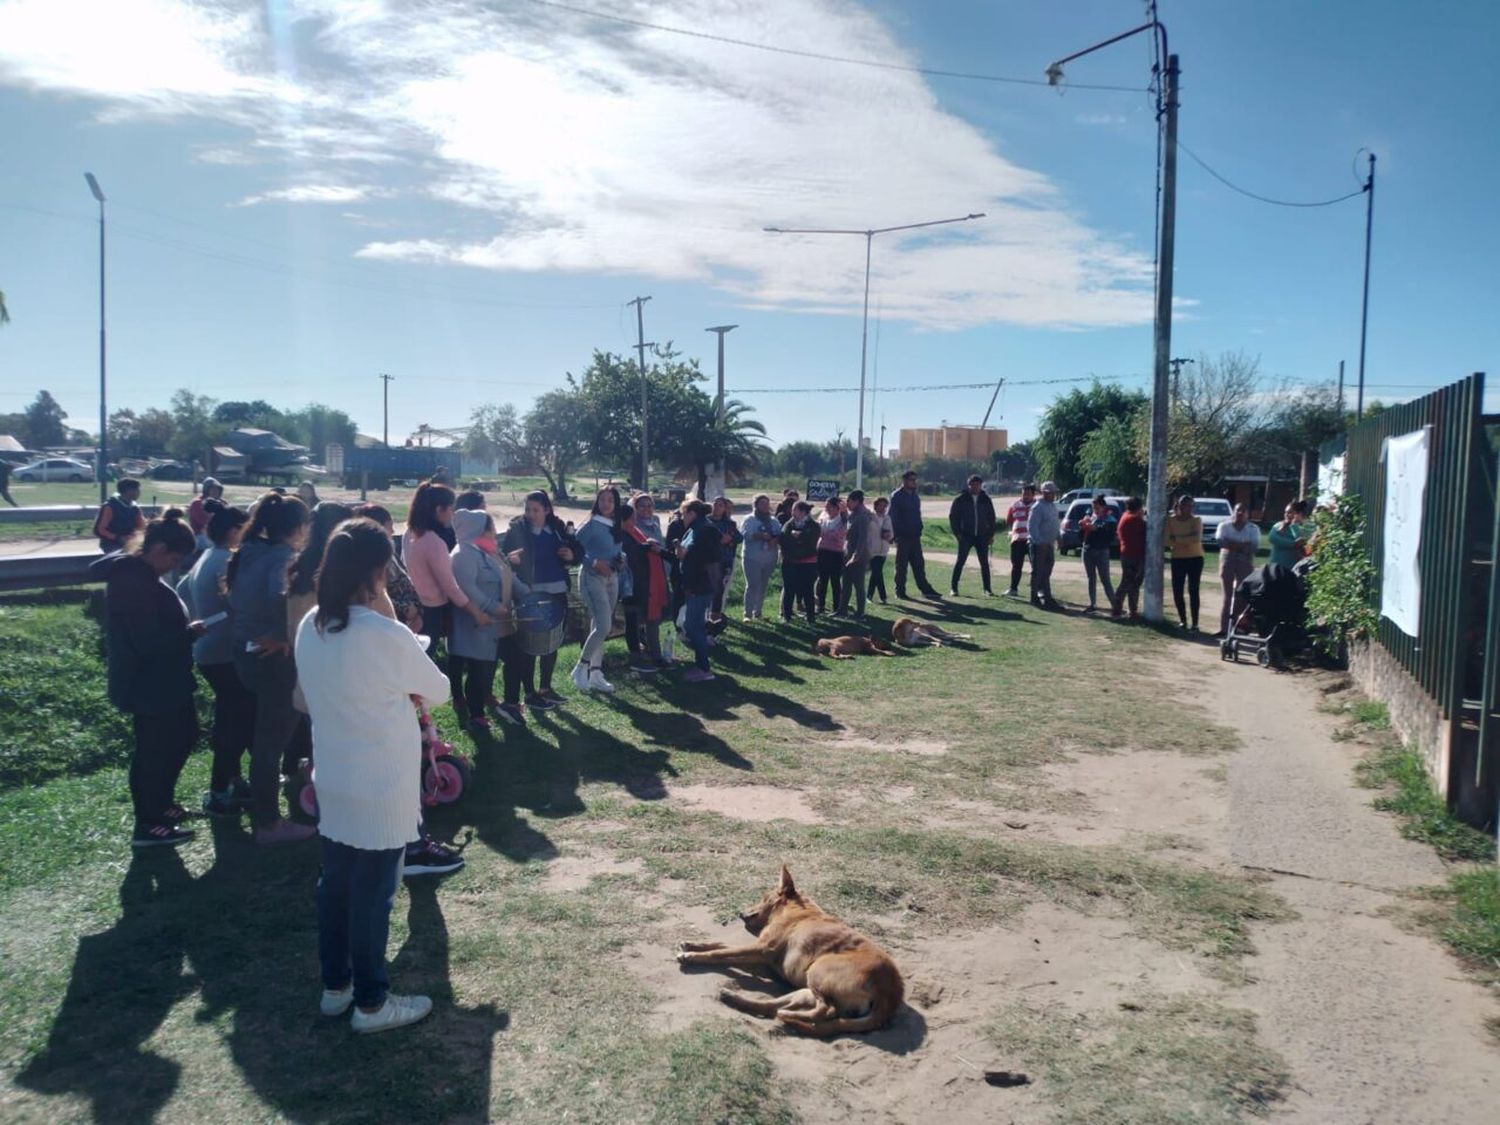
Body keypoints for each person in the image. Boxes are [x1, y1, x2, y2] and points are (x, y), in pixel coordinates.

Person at [294, 517, 451, 1034]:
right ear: (379, 571)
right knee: (373, 897)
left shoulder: (312, 624)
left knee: (335, 886)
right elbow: (439, 689)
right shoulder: (386, 633)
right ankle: (371, 1002)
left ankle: (336, 987)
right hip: (381, 782)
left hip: (334, 778)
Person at [90, 509, 202, 847]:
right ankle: (149, 823)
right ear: (157, 548)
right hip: (149, 684)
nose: (175, 565)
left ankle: (162, 805)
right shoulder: (131, 580)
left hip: (165, 680)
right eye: (174, 557)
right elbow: (147, 641)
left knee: (182, 738)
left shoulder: (142, 575)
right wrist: (187, 635)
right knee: (155, 753)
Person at [228, 492, 317, 845]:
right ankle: (268, 824)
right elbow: (283, 599)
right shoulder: (282, 557)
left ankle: (274, 800)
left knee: (267, 737)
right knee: (271, 741)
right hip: (274, 658)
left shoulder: (247, 553)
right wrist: (283, 635)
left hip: (245, 652)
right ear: (297, 528)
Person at [177, 499, 255, 816]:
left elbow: (182, 591)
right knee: (235, 724)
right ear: (234, 530)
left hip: (208, 650)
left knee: (230, 719)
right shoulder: (227, 560)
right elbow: (243, 605)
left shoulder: (207, 555)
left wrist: (204, 617)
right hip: (226, 653)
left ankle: (233, 781)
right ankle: (220, 791)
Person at [403, 481, 490, 719]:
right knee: (426, 664)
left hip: (419, 606)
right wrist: (475, 611)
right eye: (451, 509)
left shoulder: (409, 534)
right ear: (438, 510)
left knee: (420, 662)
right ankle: (417, 720)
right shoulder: (434, 542)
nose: (453, 515)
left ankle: (418, 716)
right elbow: (450, 587)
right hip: (434, 610)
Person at [502, 491, 579, 707]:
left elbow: (577, 549)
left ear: (546, 510)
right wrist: (512, 559)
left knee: (552, 642)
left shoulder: (557, 528)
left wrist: (572, 555)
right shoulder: (517, 529)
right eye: (527, 509)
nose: (531, 514)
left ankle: (546, 688)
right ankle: (529, 692)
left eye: (536, 510)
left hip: (557, 592)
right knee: (530, 643)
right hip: (531, 593)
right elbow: (503, 555)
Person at [450, 510, 522, 730]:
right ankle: (476, 715)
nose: (493, 531)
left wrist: (528, 594)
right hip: (477, 623)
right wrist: (492, 606)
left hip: (498, 622)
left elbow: (508, 576)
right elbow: (467, 588)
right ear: (477, 530)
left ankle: (510, 703)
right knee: (478, 669)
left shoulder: (486, 551)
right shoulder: (463, 554)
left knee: (512, 658)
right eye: (489, 527)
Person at [573, 487, 627, 693]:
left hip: (612, 578)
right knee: (604, 626)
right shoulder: (591, 524)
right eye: (602, 499)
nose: (606, 503)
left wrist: (622, 560)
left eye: (610, 500)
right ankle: (581, 667)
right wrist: (594, 563)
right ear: (597, 502)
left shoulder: (615, 525)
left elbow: (617, 550)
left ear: (616, 505)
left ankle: (596, 673)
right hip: (592, 577)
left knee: (600, 625)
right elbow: (574, 548)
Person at [622, 497, 670, 670]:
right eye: (641, 507)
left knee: (652, 619)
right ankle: (640, 657)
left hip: (651, 580)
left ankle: (653, 653)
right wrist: (647, 547)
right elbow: (631, 553)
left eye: (650, 506)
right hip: (635, 584)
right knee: (635, 621)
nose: (645, 510)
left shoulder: (653, 524)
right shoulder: (626, 533)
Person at [676, 500, 720, 682]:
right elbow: (685, 554)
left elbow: (709, 556)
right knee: (694, 626)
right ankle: (701, 664)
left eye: (683, 513)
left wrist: (686, 554)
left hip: (700, 585)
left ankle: (703, 668)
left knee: (694, 627)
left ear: (692, 513)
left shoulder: (705, 529)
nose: (681, 517)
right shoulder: (696, 528)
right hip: (696, 583)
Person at [889, 471, 941, 599]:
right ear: (905, 481)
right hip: (903, 536)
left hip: (915, 535)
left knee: (919, 564)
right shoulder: (897, 496)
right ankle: (900, 591)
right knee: (901, 566)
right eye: (912, 480)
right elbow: (892, 516)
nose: (914, 482)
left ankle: (925, 589)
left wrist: (920, 527)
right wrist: (894, 534)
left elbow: (917, 514)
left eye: (915, 480)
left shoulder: (915, 496)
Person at [1215, 502, 1262, 637]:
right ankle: (1224, 629)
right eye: (1237, 511)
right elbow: (1221, 542)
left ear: (1247, 514)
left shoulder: (1253, 529)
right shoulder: (1224, 526)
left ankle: (1239, 627)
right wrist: (1242, 545)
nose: (1240, 514)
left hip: (1245, 561)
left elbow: (1253, 547)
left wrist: (1232, 545)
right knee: (1227, 596)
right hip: (1228, 560)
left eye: (1243, 511)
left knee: (1241, 595)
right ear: (1233, 512)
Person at [948, 475, 998, 596]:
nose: (975, 487)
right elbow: (953, 517)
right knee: (960, 561)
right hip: (966, 536)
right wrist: (957, 533)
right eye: (972, 484)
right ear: (968, 485)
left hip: (982, 536)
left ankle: (987, 589)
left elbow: (991, 518)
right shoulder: (960, 499)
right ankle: (954, 588)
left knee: (984, 563)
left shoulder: (986, 499)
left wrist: (990, 535)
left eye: (977, 484)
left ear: (981, 485)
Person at [1164, 494, 1205, 631]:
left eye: (1191, 506)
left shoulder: (1197, 520)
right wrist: (1184, 538)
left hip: (1195, 558)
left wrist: (1177, 539)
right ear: (1179, 506)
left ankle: (1195, 623)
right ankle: (1183, 620)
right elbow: (1167, 541)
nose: (1188, 508)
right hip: (1178, 559)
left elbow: (1196, 539)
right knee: (1177, 590)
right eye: (1185, 505)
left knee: (1193, 590)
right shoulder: (1170, 521)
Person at [740, 494, 781, 621]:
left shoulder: (774, 520)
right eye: (762, 503)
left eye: (767, 503)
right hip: (752, 557)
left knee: (763, 585)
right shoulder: (749, 519)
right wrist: (759, 536)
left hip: (769, 557)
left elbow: (780, 534)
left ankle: (757, 612)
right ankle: (747, 614)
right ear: (756, 505)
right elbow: (744, 535)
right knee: (752, 585)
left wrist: (775, 540)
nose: (765, 506)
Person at [778, 501, 819, 623]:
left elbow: (812, 541)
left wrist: (799, 537)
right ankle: (787, 616)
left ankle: (810, 617)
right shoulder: (788, 524)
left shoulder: (813, 525)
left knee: (808, 590)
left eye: (795, 510)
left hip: (808, 563)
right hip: (790, 562)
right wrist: (795, 539)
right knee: (789, 589)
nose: (792, 512)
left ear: (803, 512)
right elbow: (783, 539)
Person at [1080, 496, 1118, 614]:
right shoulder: (1090, 518)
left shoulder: (1110, 519)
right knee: (1091, 578)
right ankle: (1092, 604)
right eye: (1093, 507)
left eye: (1097, 507)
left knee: (1105, 579)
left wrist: (1097, 529)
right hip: (1088, 550)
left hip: (1102, 551)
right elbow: (1081, 536)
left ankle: (1115, 605)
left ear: (1103, 507)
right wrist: (1082, 527)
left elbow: (1110, 535)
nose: (1095, 509)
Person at [707, 496, 743, 623]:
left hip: (724, 560)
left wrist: (730, 540)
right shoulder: (706, 521)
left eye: (720, 505)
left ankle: (715, 618)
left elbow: (739, 538)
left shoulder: (729, 524)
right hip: (708, 561)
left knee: (719, 590)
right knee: (706, 589)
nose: (717, 507)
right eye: (715, 504)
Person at [837, 490, 872, 618]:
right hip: (848, 554)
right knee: (845, 584)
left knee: (858, 585)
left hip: (858, 556)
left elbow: (862, 538)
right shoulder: (853, 514)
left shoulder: (862, 516)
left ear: (857, 501)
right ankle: (842, 610)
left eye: (849, 501)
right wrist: (842, 512)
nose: (847, 503)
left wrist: (856, 556)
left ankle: (860, 612)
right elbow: (846, 524)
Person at [1027, 481, 1062, 609]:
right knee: (1037, 571)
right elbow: (1032, 527)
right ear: (1044, 493)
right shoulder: (1037, 507)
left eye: (1054, 492)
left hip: (1049, 544)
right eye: (1050, 492)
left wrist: (1058, 537)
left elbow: (1055, 523)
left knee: (1047, 571)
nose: (1053, 495)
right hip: (1039, 545)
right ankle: (1034, 597)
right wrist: (1039, 542)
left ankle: (1047, 598)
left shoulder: (1052, 506)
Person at [1113, 496, 1147, 619]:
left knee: (1132, 584)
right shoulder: (1134, 519)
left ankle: (1132, 611)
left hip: (1128, 554)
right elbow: (1148, 528)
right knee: (1128, 583)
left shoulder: (1125, 516)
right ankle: (1117, 609)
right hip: (1133, 555)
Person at [95, 477, 146, 554]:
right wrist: (118, 538)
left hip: (130, 542)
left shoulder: (135, 508)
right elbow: (99, 530)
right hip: (111, 544)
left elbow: (141, 526)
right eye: (137, 490)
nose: (139, 492)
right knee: (124, 557)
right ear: (128, 491)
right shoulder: (110, 506)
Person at [814, 497, 847, 613]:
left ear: (837, 508)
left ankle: (837, 607)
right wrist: (826, 534)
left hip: (836, 553)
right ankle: (820, 606)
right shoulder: (823, 517)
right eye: (826, 506)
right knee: (822, 580)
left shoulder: (842, 520)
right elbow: (817, 531)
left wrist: (825, 534)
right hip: (822, 552)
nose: (826, 509)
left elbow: (839, 535)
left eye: (829, 507)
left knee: (835, 581)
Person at [1004, 483, 1036, 598]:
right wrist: (1012, 533)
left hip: (1033, 540)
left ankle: (1036, 590)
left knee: (1036, 566)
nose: (1025, 496)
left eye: (1028, 494)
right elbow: (1009, 521)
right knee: (1016, 565)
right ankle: (1013, 589)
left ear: (1033, 494)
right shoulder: (1015, 505)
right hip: (1017, 540)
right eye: (1023, 494)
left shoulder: (1037, 506)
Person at [866, 496, 894, 605]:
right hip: (872, 550)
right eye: (880, 505)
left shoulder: (887, 518)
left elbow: (891, 533)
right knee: (877, 572)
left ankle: (869, 595)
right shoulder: (870, 517)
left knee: (875, 574)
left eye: (885, 506)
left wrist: (888, 536)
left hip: (883, 550)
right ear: (876, 505)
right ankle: (883, 596)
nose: (883, 508)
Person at [1268, 500, 1311, 568]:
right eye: (1285, 512)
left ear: (1299, 513)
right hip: (1275, 567)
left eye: (1290, 512)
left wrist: (1294, 526)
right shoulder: (1279, 525)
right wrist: (1293, 544)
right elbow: (1272, 538)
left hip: (1294, 568)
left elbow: (1303, 545)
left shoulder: (1307, 527)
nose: (1286, 515)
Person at [188, 477, 223, 548]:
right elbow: (204, 523)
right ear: (206, 490)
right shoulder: (197, 503)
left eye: (217, 489)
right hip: (200, 536)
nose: (215, 491)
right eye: (212, 489)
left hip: (218, 534)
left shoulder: (222, 503)